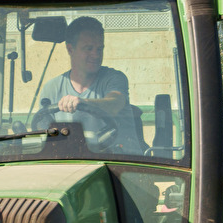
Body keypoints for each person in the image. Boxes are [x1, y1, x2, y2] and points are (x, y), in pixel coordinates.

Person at [32, 17, 145, 152]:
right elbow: (45, 135)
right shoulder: (51, 89)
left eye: (99, 49)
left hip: (120, 164)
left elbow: (115, 102)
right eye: (89, 48)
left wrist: (82, 102)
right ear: (70, 49)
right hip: (72, 163)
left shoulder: (114, 79)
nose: (96, 55)